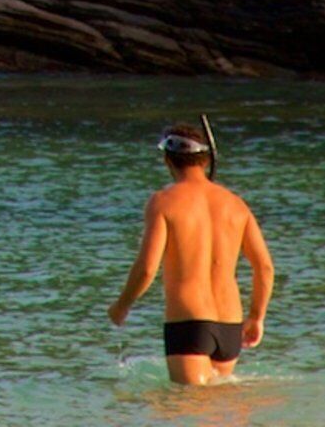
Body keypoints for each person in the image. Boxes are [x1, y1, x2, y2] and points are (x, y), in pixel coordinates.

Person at [107, 119, 275, 385]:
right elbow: (264, 268)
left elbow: (147, 268)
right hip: (230, 325)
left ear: (167, 160)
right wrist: (256, 317)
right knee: (218, 405)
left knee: (190, 404)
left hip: (189, 321)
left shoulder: (163, 202)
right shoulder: (236, 204)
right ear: (206, 161)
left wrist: (122, 305)